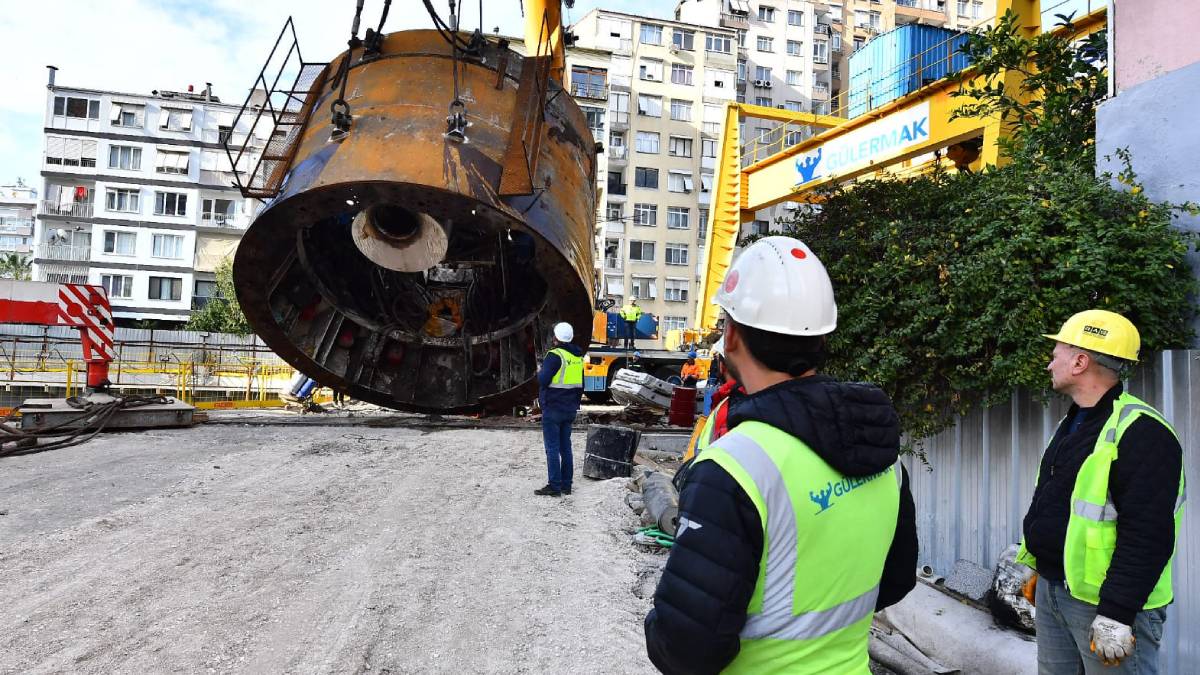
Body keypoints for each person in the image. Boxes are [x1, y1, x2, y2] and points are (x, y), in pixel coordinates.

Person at [644, 236, 918, 674]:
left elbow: (686, 648)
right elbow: (898, 578)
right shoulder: (882, 450)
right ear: (822, 338)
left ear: (730, 336)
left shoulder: (733, 468)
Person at [1017, 310, 1185, 672]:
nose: (1050, 365)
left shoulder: (1142, 432)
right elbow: (1057, 503)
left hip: (1108, 610)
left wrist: (1116, 614)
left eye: (1056, 354)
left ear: (1080, 362)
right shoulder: (1075, 420)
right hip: (1056, 592)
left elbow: (1148, 534)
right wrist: (1040, 566)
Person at [535, 322, 584, 497]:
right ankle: (566, 485)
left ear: (556, 338)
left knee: (552, 448)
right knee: (566, 448)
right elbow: (581, 385)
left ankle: (554, 486)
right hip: (569, 409)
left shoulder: (554, 356)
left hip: (553, 408)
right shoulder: (578, 357)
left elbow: (543, 380)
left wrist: (539, 371)